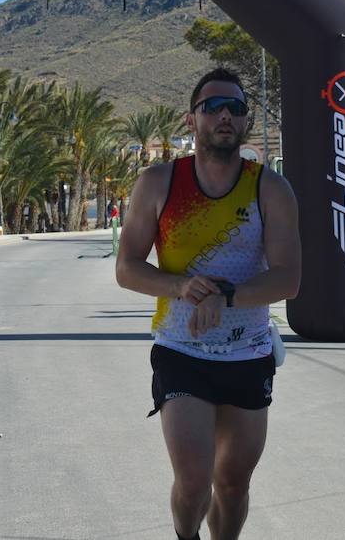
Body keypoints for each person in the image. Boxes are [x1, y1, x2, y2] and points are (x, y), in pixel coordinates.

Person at [115, 68, 301, 540]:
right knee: (195, 482)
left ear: (245, 122)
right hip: (182, 351)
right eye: (212, 107)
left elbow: (288, 279)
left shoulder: (270, 188)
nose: (224, 115)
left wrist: (228, 295)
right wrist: (180, 287)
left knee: (233, 484)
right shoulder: (158, 183)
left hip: (249, 353)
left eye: (235, 108)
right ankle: (186, 536)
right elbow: (127, 268)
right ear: (191, 119)